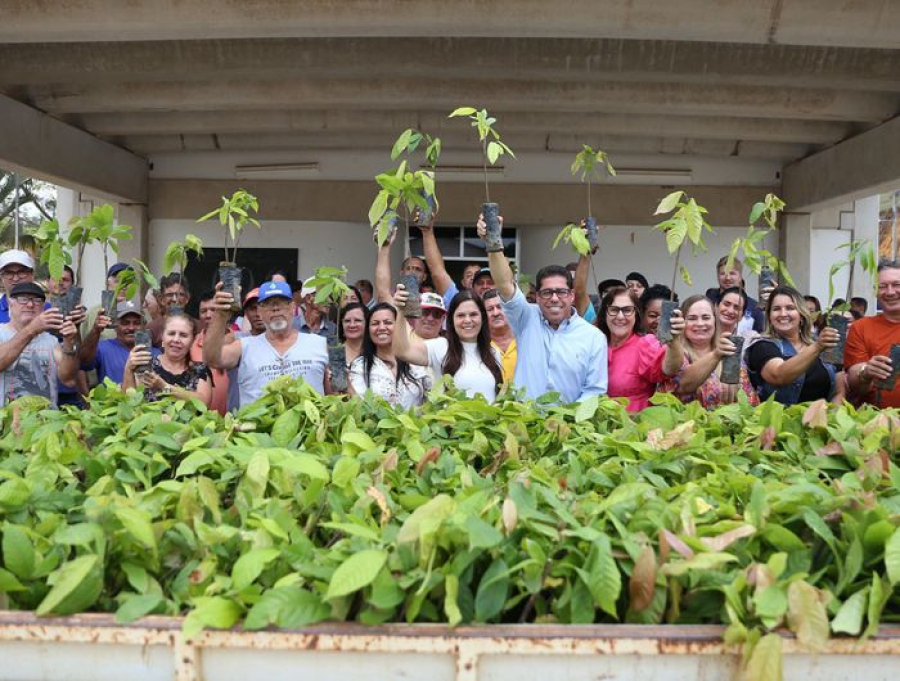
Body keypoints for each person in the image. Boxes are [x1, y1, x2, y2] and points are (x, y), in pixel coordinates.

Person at [477, 213, 607, 403]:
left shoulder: (593, 337)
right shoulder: (526, 317)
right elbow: (505, 284)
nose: (554, 298)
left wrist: (567, 421)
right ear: (537, 297)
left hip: (569, 428)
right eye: (547, 293)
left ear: (571, 295)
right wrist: (493, 242)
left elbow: (594, 390)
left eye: (561, 292)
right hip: (525, 424)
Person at [205, 279, 328, 407]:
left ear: (293, 307)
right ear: (260, 311)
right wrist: (220, 314)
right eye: (268, 304)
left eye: (282, 303)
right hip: (257, 425)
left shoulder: (319, 344)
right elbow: (212, 359)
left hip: (308, 425)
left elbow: (336, 393)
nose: (275, 309)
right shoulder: (244, 346)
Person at [393, 288, 503, 402]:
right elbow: (402, 352)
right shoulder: (441, 346)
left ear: (483, 318)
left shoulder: (494, 353)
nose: (468, 320)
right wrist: (400, 311)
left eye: (473, 314)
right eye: (461, 315)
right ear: (451, 320)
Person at [746, 285, 844, 405]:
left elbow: (839, 391)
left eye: (790, 308)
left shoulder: (823, 344)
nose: (783, 314)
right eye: (776, 309)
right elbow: (778, 375)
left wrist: (833, 416)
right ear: (769, 316)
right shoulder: (762, 346)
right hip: (778, 421)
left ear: (801, 315)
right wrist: (817, 347)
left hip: (822, 420)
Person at [660, 295, 758, 409]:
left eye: (706, 317)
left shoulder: (728, 352)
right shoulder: (674, 353)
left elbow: (750, 402)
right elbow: (683, 385)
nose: (700, 323)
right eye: (692, 318)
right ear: (682, 322)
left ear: (715, 321)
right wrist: (716, 354)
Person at [598, 286, 684, 411]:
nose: (620, 316)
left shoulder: (645, 343)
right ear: (605, 314)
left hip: (635, 424)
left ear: (636, 315)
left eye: (627, 310)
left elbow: (669, 369)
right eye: (614, 309)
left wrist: (674, 340)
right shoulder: (595, 343)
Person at [0, 282, 78, 406]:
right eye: (23, 299)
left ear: (42, 307)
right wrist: (32, 329)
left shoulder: (51, 341)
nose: (30, 304)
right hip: (8, 421)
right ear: (11, 304)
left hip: (46, 421)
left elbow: (68, 380)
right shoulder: (1, 332)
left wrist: (69, 342)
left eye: (37, 300)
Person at [348, 302, 430, 408]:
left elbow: (430, 400)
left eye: (388, 322)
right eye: (375, 323)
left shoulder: (415, 361)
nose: (381, 327)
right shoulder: (359, 366)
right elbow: (359, 406)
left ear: (398, 326)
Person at [845, 261, 900, 407]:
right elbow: (856, 386)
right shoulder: (861, 327)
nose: (890, 292)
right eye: (882, 286)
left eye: (896, 285)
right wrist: (866, 371)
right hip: (874, 421)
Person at [124, 313, 211, 405]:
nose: (176, 339)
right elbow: (129, 403)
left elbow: (203, 403)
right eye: (171, 333)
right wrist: (128, 370)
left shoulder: (200, 370)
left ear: (192, 340)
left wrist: (164, 387)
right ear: (162, 337)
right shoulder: (146, 365)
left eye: (183, 335)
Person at [81, 301, 156, 385]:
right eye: (125, 323)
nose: (131, 328)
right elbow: (84, 363)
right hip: (112, 397)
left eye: (137, 323)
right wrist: (95, 330)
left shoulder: (155, 353)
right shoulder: (103, 348)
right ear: (115, 326)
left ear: (144, 326)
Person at [190, 291, 230, 414]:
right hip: (200, 420)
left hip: (233, 419)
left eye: (213, 310)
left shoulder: (239, 342)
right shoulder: (191, 344)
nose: (208, 315)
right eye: (203, 311)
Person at [705, 256, 764, 333]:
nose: (728, 278)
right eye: (723, 273)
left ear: (740, 276)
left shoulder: (755, 307)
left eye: (732, 273)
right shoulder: (708, 302)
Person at [148, 272, 193, 346]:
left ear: (187, 298)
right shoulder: (152, 329)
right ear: (161, 299)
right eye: (169, 295)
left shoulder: (197, 326)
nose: (175, 299)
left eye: (179, 294)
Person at [483, 289, 517, 382]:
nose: (496, 313)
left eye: (500, 307)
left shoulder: (524, 340)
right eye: (490, 309)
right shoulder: (481, 345)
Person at [0, 250, 39, 323]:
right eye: (9, 273)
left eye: (21, 272)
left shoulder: (47, 310)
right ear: (1, 278)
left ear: (32, 275)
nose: (15, 278)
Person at [294, 277, 337, 342]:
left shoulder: (333, 329)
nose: (330, 301)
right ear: (308, 298)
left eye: (329, 295)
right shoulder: (292, 325)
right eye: (324, 295)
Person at [338, 302, 367, 369]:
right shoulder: (335, 351)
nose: (352, 325)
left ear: (367, 323)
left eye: (357, 320)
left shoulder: (375, 350)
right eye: (347, 321)